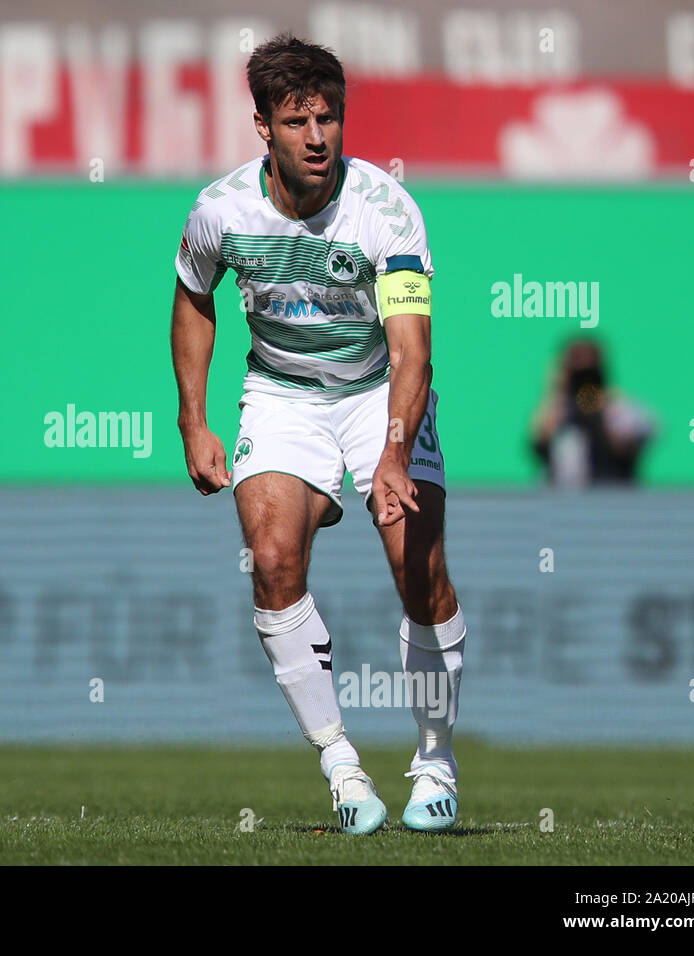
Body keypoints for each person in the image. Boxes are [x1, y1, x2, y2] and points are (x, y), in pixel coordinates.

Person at [170, 34, 465, 834]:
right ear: (263, 126)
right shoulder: (221, 211)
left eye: (329, 118)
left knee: (418, 564)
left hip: (380, 394)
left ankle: (436, 756)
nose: (318, 137)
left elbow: (413, 350)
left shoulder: (385, 210)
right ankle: (340, 765)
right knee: (270, 559)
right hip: (282, 395)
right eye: (298, 121)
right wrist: (193, 420)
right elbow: (193, 297)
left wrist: (396, 449)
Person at [531, 339, 656, 486]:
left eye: (589, 371)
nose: (584, 379)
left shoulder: (619, 407)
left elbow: (628, 445)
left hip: (613, 497)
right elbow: (540, 441)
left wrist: (604, 411)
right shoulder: (556, 407)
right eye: (577, 371)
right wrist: (557, 392)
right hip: (562, 500)